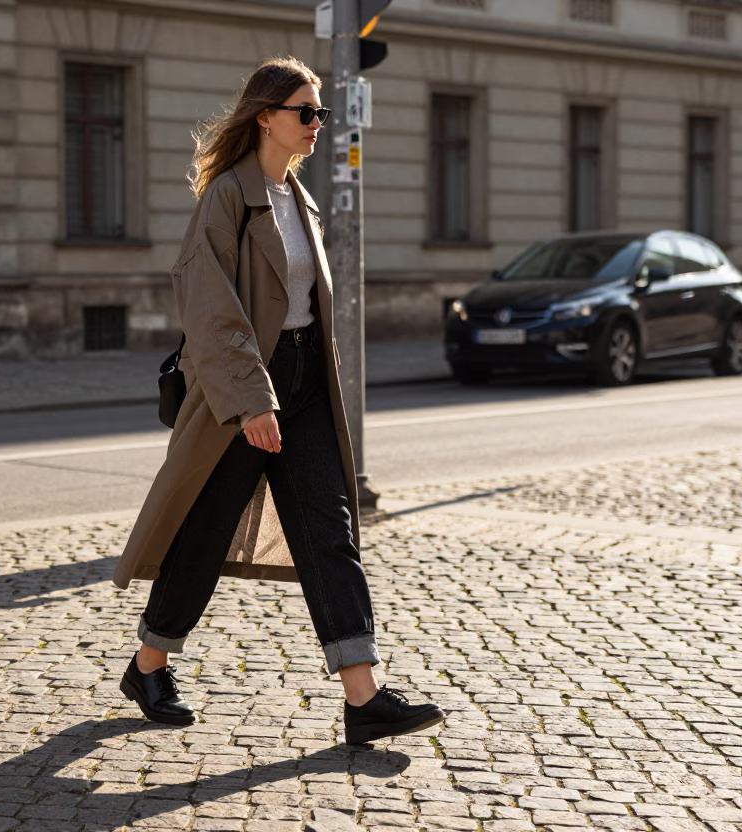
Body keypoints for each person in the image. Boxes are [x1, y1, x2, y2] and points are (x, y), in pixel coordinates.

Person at [112, 57, 445, 746]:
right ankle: (148, 665)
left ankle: (363, 696)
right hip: (245, 391)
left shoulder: (300, 199)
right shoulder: (228, 197)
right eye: (306, 112)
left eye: (321, 113)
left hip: (305, 384)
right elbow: (211, 309)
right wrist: (253, 401)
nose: (318, 123)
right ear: (266, 116)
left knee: (331, 531)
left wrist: (309, 384)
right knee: (205, 531)